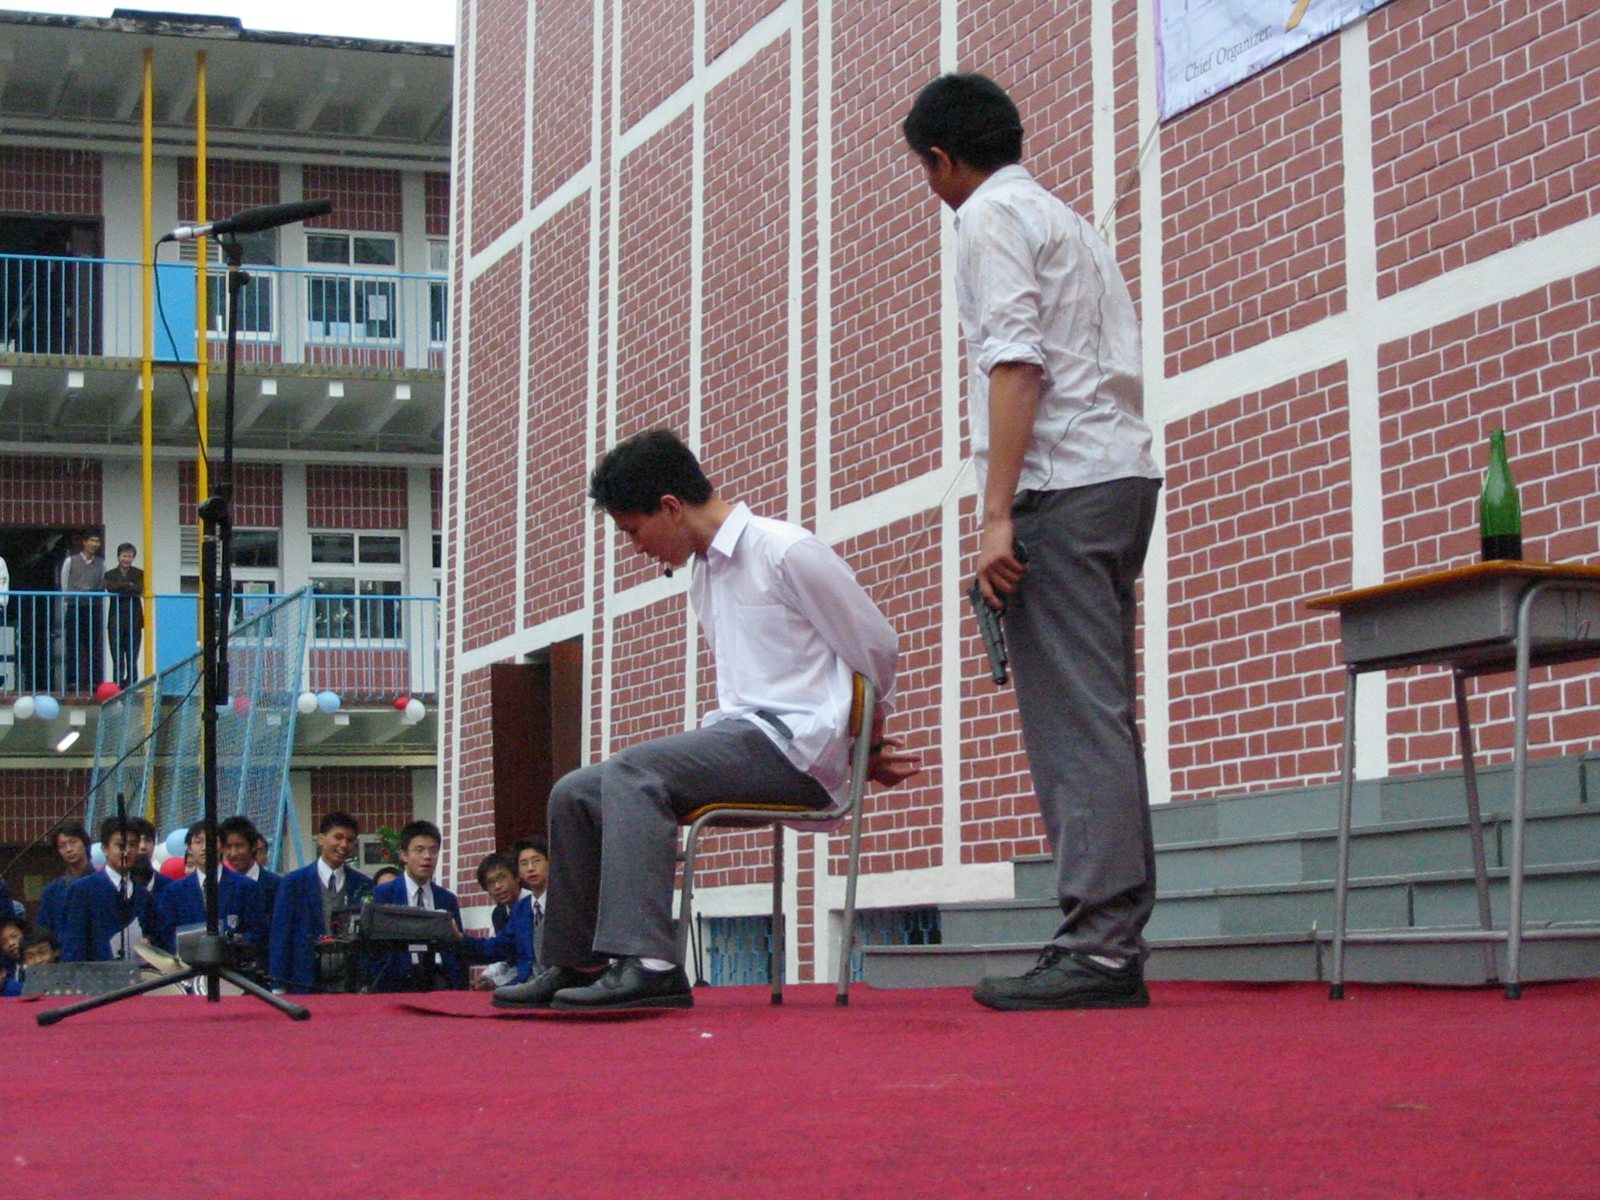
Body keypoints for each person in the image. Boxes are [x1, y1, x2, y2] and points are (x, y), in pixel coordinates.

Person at [493, 430, 918, 1012]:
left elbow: (878, 647)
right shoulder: (705, 574)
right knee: (575, 793)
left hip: (796, 748)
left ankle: (651, 964)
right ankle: (574, 961)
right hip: (743, 737)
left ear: (670, 507)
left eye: (633, 531)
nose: (635, 548)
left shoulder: (785, 550)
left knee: (634, 769)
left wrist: (864, 746)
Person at [903, 74, 1163, 1010]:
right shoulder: (1069, 220)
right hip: (1119, 477)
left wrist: (995, 514)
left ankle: (1100, 948)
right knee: (1100, 715)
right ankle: (1109, 939)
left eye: (926, 170)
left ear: (942, 160)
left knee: (1074, 724)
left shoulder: (987, 217)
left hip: (1063, 486)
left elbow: (1016, 364)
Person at [267, 811, 372, 994]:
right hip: (305, 980)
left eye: (350, 840)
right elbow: (281, 936)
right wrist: (278, 985)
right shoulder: (294, 883)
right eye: (338, 837)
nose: (343, 845)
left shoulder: (362, 884)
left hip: (349, 984)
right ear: (321, 839)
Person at [369, 820, 474, 991]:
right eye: (419, 850)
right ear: (403, 855)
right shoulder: (382, 895)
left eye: (433, 850)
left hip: (440, 980)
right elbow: (372, 950)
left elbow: (457, 949)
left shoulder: (446, 899)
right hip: (397, 982)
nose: (427, 856)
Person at [59, 816, 167, 962]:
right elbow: (73, 945)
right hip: (96, 973)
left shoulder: (143, 895)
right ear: (105, 848)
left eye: (132, 844)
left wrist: (149, 943)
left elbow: (156, 936)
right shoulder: (83, 890)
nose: (126, 851)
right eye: (120, 845)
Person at [156, 821, 268, 954]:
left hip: (233, 962)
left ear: (222, 847)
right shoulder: (174, 891)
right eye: (198, 842)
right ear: (189, 848)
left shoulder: (246, 887)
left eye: (211, 841)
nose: (204, 848)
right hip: (188, 963)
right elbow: (166, 934)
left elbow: (258, 931)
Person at [473, 852, 533, 989]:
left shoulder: (533, 905)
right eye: (491, 883)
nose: (498, 886)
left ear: (517, 877)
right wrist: (486, 976)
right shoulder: (498, 913)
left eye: (502, 878)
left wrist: (498, 982)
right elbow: (502, 956)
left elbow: (528, 961)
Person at [60, 532, 105, 693]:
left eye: (97, 541)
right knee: (73, 644)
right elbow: (64, 585)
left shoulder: (101, 564)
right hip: (74, 606)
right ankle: (72, 681)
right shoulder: (71, 561)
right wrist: (69, 600)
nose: (95, 544)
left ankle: (94, 681)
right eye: (92, 540)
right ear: (84, 542)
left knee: (93, 644)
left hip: (92, 607)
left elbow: (100, 585)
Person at [37, 821, 94, 937]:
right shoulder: (52, 891)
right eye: (62, 846)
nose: (69, 849)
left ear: (84, 843)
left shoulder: (104, 882)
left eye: (73, 842)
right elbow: (44, 931)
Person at [220, 815, 280, 922]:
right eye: (227, 847)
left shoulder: (276, 886)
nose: (233, 853)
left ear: (253, 846)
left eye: (239, 846)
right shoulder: (219, 886)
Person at [103, 542, 144, 688]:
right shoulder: (110, 574)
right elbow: (111, 588)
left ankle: (132, 684)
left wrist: (123, 586)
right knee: (117, 656)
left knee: (133, 655)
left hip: (134, 618)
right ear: (118, 556)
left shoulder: (139, 573)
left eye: (129, 556)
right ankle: (118, 684)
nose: (126, 559)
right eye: (124, 556)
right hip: (116, 618)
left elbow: (138, 589)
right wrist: (128, 585)